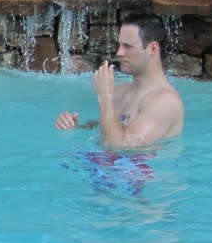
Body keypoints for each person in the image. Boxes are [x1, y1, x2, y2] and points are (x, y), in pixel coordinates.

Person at [54, 16, 185, 149]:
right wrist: (75, 127)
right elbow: (106, 129)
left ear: (152, 49)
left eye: (127, 46)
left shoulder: (165, 102)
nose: (119, 52)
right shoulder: (120, 92)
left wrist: (105, 96)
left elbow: (118, 147)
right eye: (120, 45)